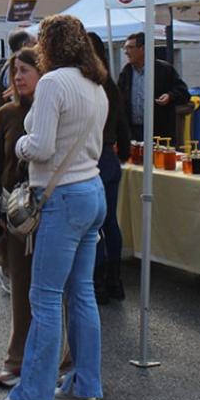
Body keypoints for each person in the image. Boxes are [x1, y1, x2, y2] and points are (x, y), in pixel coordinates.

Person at [0, 14, 108, 400]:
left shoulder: (54, 83)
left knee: (45, 297)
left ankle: (33, 396)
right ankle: (83, 386)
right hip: (91, 192)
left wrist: (19, 143)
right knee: (82, 294)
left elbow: (39, 146)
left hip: (62, 197)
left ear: (48, 45)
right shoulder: (95, 84)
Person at [0, 45, 41, 388]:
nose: (18, 77)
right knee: (20, 285)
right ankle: (16, 357)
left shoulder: (56, 107)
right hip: (14, 211)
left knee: (52, 290)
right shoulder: (7, 113)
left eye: (25, 70)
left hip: (51, 206)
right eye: (14, 71)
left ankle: (61, 359)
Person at [88, 32, 131, 303]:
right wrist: (123, 154)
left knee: (93, 226)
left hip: (95, 157)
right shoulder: (110, 83)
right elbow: (123, 123)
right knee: (109, 223)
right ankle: (114, 280)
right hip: (110, 156)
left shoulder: (91, 84)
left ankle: (100, 280)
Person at [117, 32, 190, 144]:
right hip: (133, 133)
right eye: (125, 48)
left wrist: (170, 96)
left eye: (130, 48)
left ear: (143, 49)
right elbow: (118, 99)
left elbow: (183, 92)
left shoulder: (164, 69)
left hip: (159, 133)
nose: (126, 52)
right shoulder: (126, 72)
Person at [0, 29, 35, 108]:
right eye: (34, 43)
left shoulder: (8, 65)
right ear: (25, 45)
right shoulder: (12, 66)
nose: (17, 77)